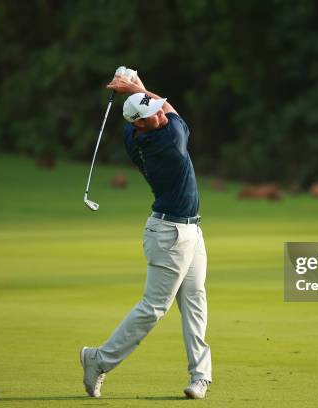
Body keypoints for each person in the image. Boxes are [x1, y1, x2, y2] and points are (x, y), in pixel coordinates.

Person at [80, 72, 212, 399]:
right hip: (170, 234)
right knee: (153, 308)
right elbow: (173, 111)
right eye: (151, 114)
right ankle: (99, 359)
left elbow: (156, 107)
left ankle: (200, 377)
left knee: (195, 302)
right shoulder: (170, 142)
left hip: (189, 230)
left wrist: (135, 90)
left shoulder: (132, 131)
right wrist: (136, 86)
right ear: (140, 124)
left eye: (155, 108)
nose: (159, 114)